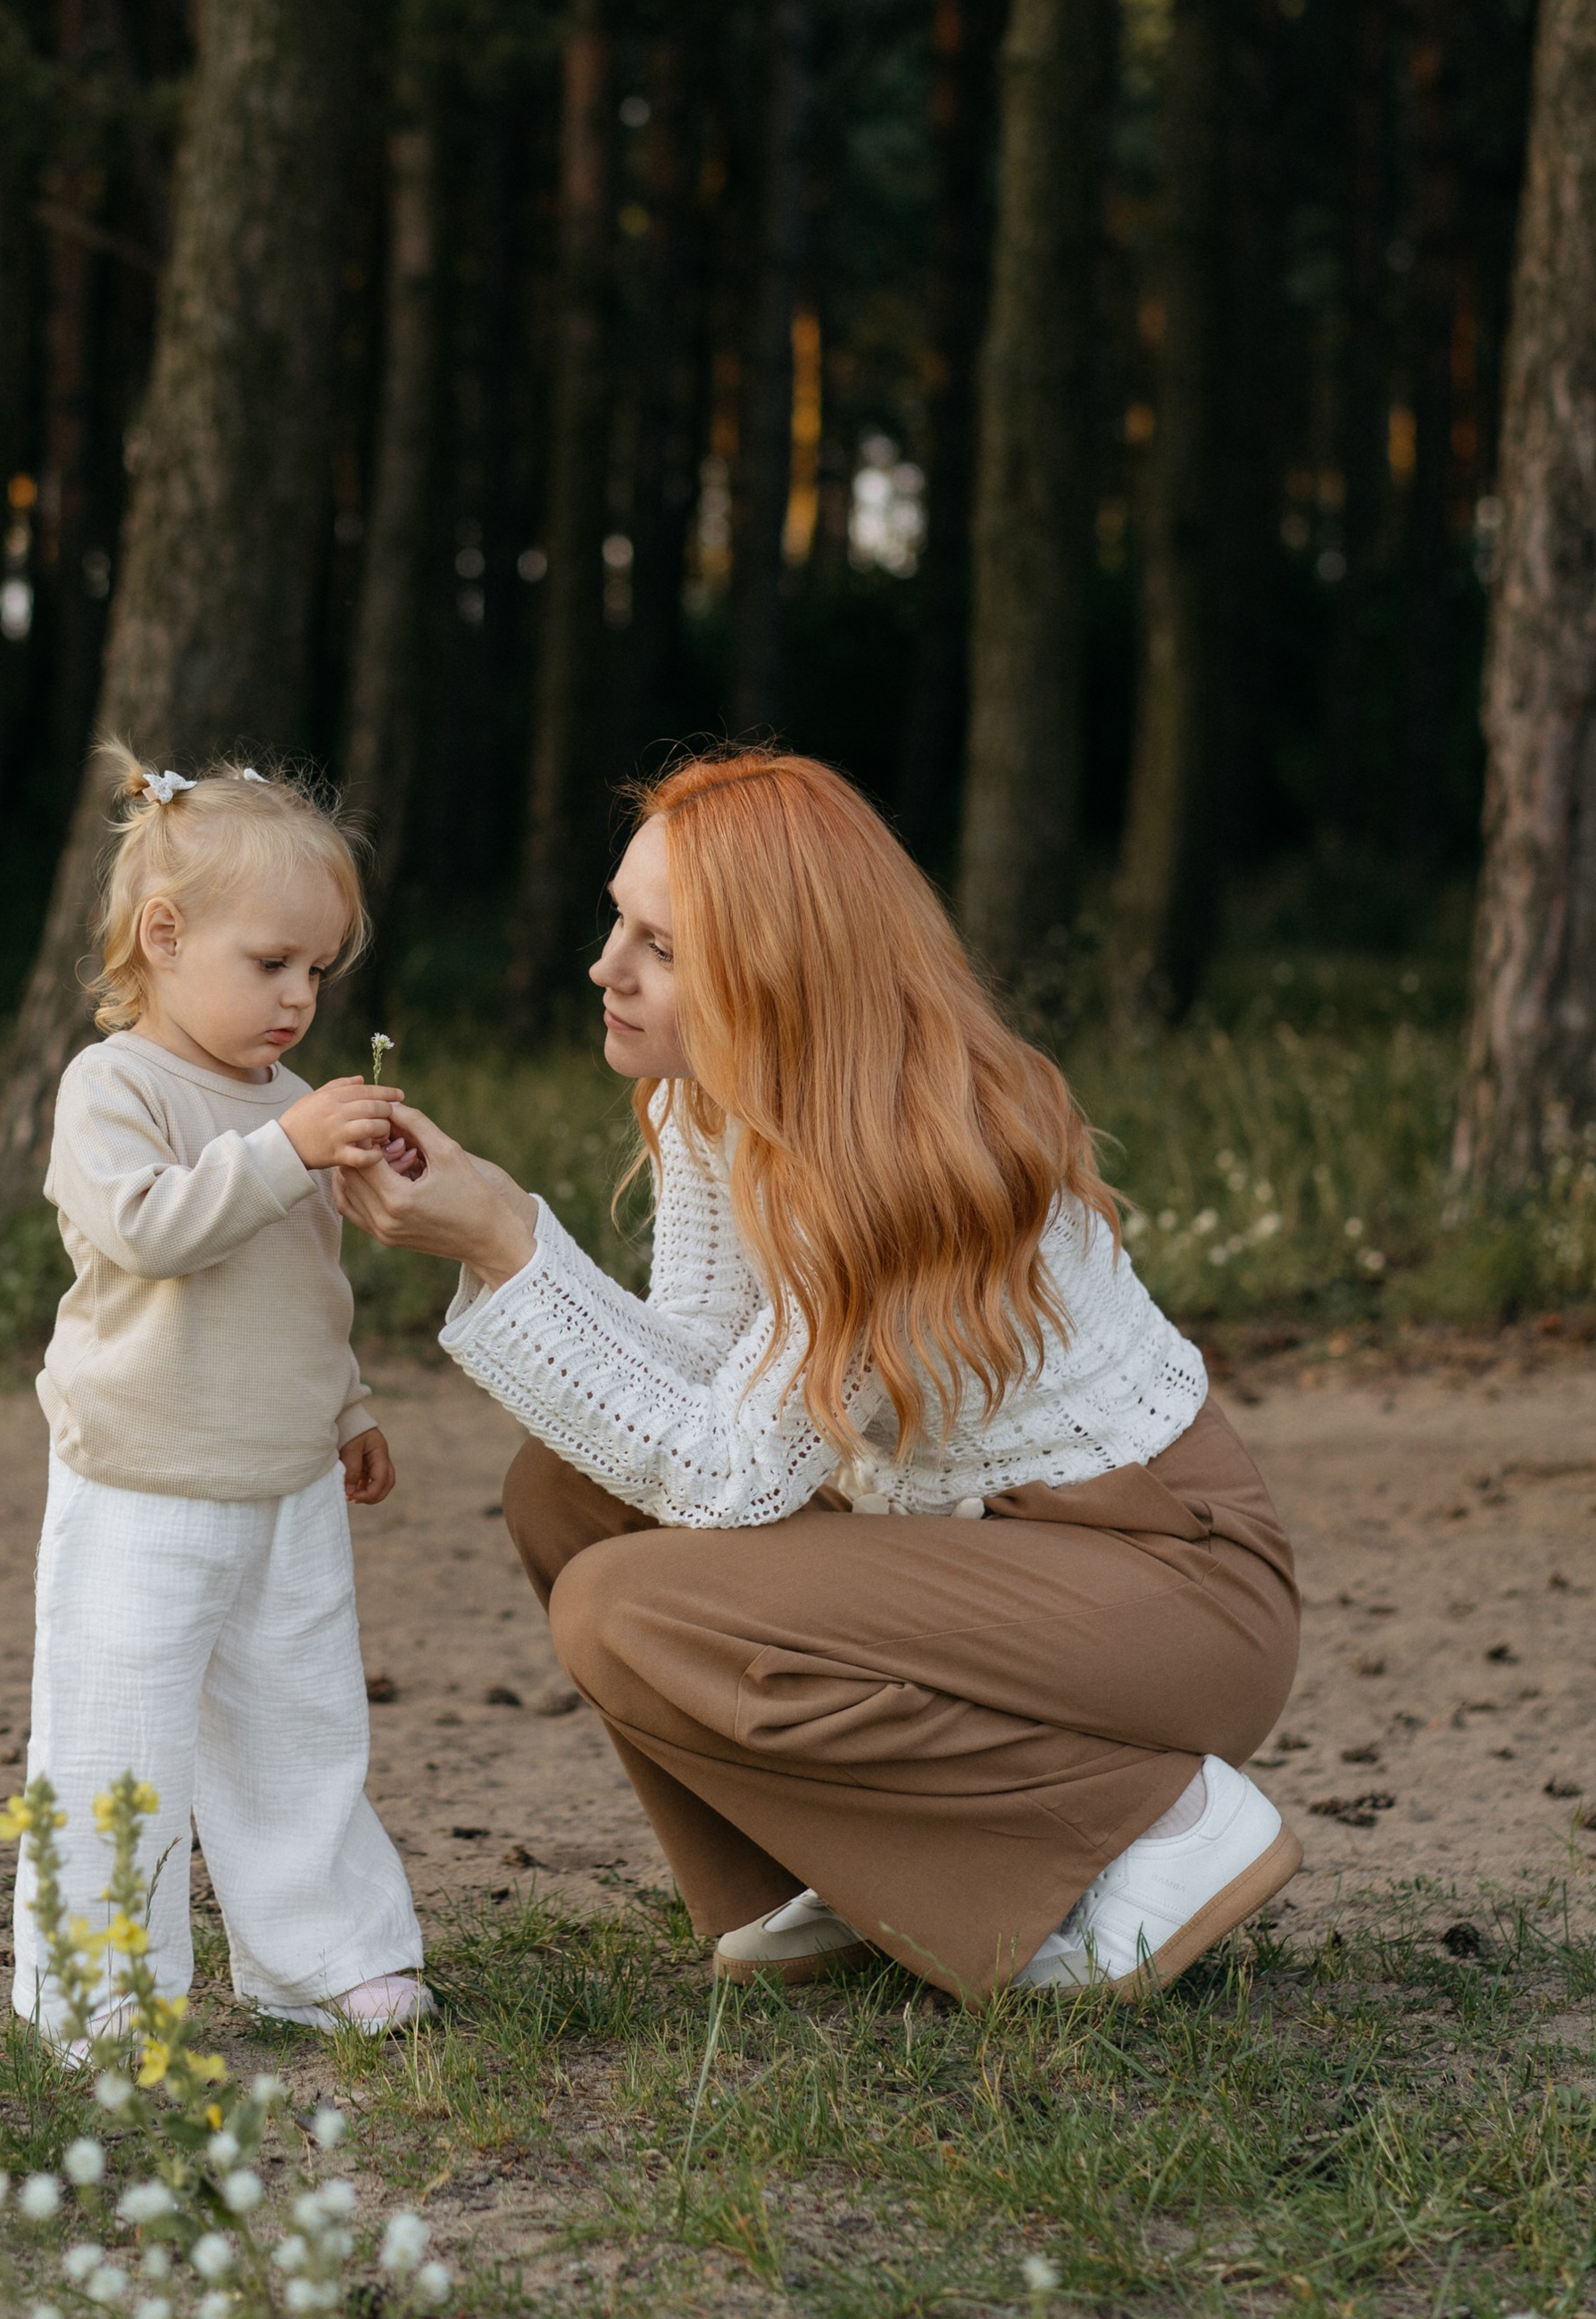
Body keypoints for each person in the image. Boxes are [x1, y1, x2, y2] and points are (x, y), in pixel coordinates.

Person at [337, 748, 1302, 2002]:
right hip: (994, 1553)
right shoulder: (729, 1101)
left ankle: (1161, 1819)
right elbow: (696, 1377)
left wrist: (503, 1242)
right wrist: (507, 1225)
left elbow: (728, 1478)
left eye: (662, 948)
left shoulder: (899, 1155)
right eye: (617, 921)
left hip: (1168, 1590)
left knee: (625, 1604)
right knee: (564, 1497)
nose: (605, 968)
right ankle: (848, 1876)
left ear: (776, 975)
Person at [12, 744, 431, 2048]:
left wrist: (349, 1405)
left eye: (320, 970)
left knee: (300, 1728)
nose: (301, 996)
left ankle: (323, 1958)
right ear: (165, 934)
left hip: (286, 1475)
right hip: (142, 1475)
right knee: (115, 1737)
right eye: (273, 965)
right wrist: (283, 1149)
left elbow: (302, 1281)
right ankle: (99, 1990)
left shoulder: (293, 1104)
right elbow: (152, 1232)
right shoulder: (114, 1088)